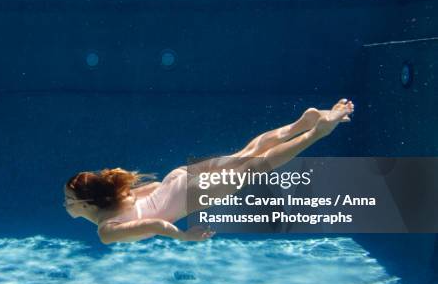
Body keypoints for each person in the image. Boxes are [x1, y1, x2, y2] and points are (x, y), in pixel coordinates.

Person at [63, 99, 354, 244]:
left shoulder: (105, 230)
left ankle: (317, 131)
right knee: (246, 154)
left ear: (86, 204)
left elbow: (156, 226)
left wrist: (184, 237)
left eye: (69, 200)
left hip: (188, 195)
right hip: (176, 179)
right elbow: (150, 193)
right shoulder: (115, 198)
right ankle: (299, 125)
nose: (65, 204)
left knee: (256, 166)